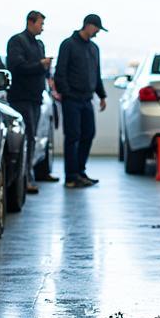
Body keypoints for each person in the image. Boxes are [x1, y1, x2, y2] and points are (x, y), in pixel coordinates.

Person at [5, 10, 58, 192]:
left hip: (35, 98)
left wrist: (46, 71)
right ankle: (24, 180)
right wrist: (40, 64)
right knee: (26, 139)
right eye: (40, 24)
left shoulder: (38, 44)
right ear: (30, 21)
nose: (42, 28)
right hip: (22, 98)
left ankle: (29, 176)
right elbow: (16, 66)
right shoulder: (17, 41)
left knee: (32, 138)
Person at [54, 14, 108, 188]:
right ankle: (71, 176)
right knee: (73, 136)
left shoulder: (94, 48)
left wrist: (102, 95)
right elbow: (60, 72)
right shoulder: (68, 45)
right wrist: (66, 93)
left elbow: (96, 74)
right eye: (97, 28)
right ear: (89, 25)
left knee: (88, 134)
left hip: (87, 100)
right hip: (72, 100)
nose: (98, 32)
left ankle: (80, 171)